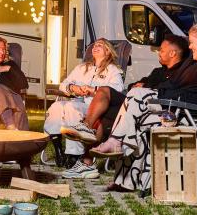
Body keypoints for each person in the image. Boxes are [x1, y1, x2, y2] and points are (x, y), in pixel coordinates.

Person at [91, 20, 197, 191]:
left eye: (192, 42)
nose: (190, 47)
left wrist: (165, 96)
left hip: (193, 118)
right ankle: (126, 181)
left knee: (136, 96)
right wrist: (159, 92)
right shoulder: (196, 61)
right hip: (177, 110)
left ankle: (115, 141)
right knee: (135, 121)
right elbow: (174, 83)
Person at [60, 35, 188, 179]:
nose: (159, 52)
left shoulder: (182, 73)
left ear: (173, 53)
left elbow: (168, 91)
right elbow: (134, 85)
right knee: (101, 108)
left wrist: (146, 86)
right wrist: (139, 85)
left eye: (162, 50)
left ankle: (86, 141)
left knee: (104, 91)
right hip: (132, 105)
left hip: (150, 110)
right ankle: (87, 163)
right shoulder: (158, 71)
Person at [44, 38, 124, 168]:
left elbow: (117, 89)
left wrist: (93, 91)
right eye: (94, 45)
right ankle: (58, 150)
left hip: (95, 107)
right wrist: (73, 88)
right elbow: (63, 84)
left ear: (108, 51)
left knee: (71, 108)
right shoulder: (82, 68)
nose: (95, 47)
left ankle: (73, 154)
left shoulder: (113, 70)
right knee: (56, 107)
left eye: (100, 45)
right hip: (78, 101)